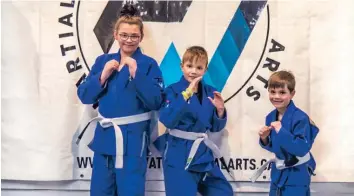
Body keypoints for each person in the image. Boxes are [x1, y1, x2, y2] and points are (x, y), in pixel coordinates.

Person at [76, 4, 164, 196]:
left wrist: (137, 74)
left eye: (134, 36)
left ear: (141, 37)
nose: (129, 40)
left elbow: (156, 101)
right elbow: (84, 95)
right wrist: (102, 76)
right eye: (124, 35)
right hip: (105, 140)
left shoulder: (149, 65)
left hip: (133, 143)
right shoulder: (103, 61)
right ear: (115, 35)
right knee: (100, 192)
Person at [156, 46, 233, 196]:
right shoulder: (172, 90)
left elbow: (216, 127)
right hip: (178, 153)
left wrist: (220, 111)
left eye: (199, 67)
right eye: (189, 66)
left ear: (205, 69)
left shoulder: (210, 92)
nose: (193, 71)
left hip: (202, 154)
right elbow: (167, 120)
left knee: (223, 192)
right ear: (182, 66)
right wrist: (186, 94)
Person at [251, 70, 319, 196]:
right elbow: (276, 147)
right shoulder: (270, 117)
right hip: (278, 173)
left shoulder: (301, 118)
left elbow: (301, 148)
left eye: (282, 92)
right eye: (272, 92)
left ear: (292, 94)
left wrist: (281, 131)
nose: (276, 96)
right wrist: (264, 139)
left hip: (297, 173)